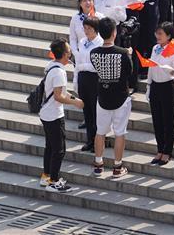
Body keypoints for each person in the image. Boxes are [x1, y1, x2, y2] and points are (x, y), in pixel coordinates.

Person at [90, 17, 136, 178]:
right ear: (114, 32)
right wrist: (128, 54)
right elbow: (129, 72)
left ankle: (98, 164)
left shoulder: (94, 53)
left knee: (100, 132)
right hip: (121, 97)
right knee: (119, 133)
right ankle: (117, 166)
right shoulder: (122, 53)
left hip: (102, 96)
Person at [38, 39, 85, 193]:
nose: (71, 52)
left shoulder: (51, 66)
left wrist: (74, 98)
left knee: (50, 147)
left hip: (46, 113)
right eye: (69, 50)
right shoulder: (59, 72)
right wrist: (75, 103)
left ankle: (46, 176)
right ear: (65, 54)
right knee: (59, 149)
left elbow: (60, 93)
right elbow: (58, 96)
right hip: (53, 115)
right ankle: (54, 181)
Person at [147, 22, 174, 165]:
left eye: (161, 34)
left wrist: (169, 69)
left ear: (168, 35)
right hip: (155, 86)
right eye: (157, 33)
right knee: (157, 120)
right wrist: (149, 86)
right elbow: (150, 66)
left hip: (167, 87)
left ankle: (168, 151)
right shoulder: (155, 48)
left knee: (168, 121)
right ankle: (160, 149)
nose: (157, 36)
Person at [71, 12, 103, 152]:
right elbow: (79, 62)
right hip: (83, 78)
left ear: (95, 29)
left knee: (96, 112)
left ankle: (98, 142)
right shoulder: (82, 42)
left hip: (94, 79)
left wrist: (84, 67)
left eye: (89, 28)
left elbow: (97, 65)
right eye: (85, 28)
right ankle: (90, 140)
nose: (86, 31)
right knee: (87, 112)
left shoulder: (100, 42)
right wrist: (76, 80)